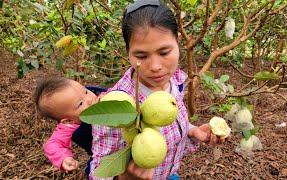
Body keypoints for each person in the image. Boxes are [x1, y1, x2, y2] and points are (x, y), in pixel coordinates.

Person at [90, 0, 226, 179]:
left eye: (164, 52)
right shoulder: (115, 106)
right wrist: (123, 178)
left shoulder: (175, 80)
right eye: (141, 55)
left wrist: (192, 131)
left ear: (177, 43)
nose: (155, 66)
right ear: (128, 52)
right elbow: (98, 173)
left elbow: (169, 124)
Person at [34, 77, 104, 177]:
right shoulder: (70, 126)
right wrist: (63, 158)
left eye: (86, 91)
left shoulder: (102, 97)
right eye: (80, 103)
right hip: (104, 157)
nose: (89, 99)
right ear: (68, 120)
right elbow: (52, 144)